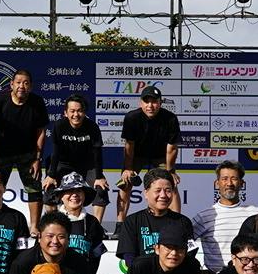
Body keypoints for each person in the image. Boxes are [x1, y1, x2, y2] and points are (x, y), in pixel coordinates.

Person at [0, 69, 51, 226]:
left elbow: (41, 132)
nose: (22, 86)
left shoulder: (37, 102)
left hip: (28, 153)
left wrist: (37, 158)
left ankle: (34, 226)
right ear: (12, 84)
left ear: (31, 86)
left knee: (34, 189)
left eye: (26, 83)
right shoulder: (1, 100)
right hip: (2, 153)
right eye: (18, 82)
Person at [115, 84, 179, 225]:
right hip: (137, 155)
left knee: (170, 185)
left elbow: (172, 148)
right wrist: (128, 168)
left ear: (160, 103)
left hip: (160, 156)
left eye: (154, 101)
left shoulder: (170, 118)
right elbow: (129, 145)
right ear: (141, 103)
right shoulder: (132, 117)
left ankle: (177, 225)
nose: (150, 106)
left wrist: (170, 171)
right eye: (146, 101)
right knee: (125, 183)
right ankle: (120, 225)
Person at [43, 94, 108, 222]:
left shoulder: (93, 127)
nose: (76, 114)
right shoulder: (59, 126)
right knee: (49, 188)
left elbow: (97, 153)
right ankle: (54, 224)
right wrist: (51, 175)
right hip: (63, 163)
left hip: (87, 165)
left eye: (79, 111)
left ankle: (96, 226)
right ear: (65, 113)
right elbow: (55, 152)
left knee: (101, 189)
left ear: (84, 112)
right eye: (72, 111)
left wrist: (99, 176)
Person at [115, 168, 195, 262]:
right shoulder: (132, 221)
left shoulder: (183, 222)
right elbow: (129, 257)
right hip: (141, 271)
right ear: (146, 193)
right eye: (158, 190)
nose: (163, 195)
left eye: (168, 190)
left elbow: (190, 253)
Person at [192, 161, 258, 272]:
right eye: (224, 179)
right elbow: (183, 240)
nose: (229, 183)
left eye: (234, 179)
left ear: (242, 183)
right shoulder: (205, 216)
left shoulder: (254, 213)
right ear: (217, 183)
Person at [49, 174, 109, 264]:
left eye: (78, 191)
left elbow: (96, 254)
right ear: (61, 196)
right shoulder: (50, 220)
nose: (74, 195)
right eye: (69, 190)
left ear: (84, 195)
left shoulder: (92, 222)